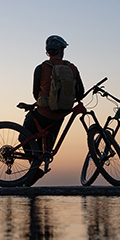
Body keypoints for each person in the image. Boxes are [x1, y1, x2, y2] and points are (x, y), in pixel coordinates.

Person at [23, 35, 85, 184]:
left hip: (43, 112)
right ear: (62, 50)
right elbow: (81, 92)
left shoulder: (41, 68)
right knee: (48, 145)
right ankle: (40, 161)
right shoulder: (72, 68)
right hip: (60, 114)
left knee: (24, 137)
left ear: (48, 51)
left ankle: (34, 167)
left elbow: (34, 93)